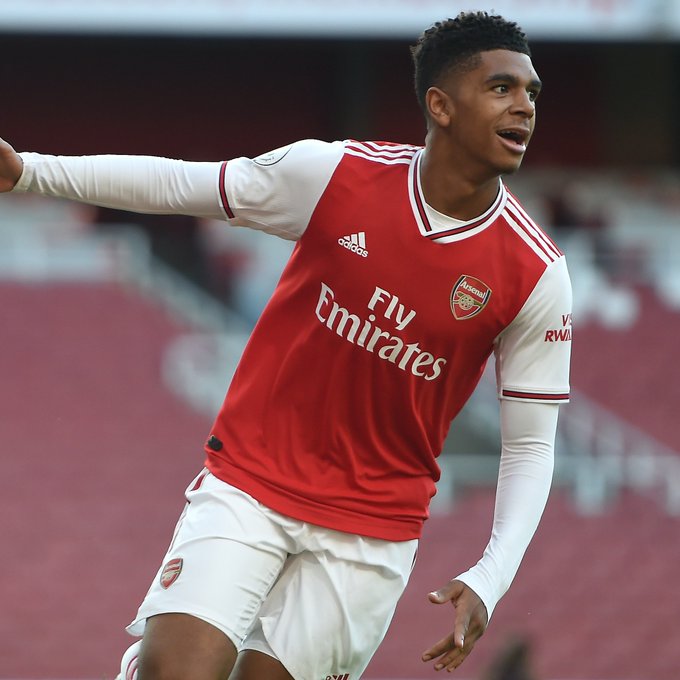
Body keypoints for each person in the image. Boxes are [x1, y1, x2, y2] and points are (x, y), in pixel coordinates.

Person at [0, 11, 572, 680]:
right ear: (441, 105)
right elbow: (185, 184)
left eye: (531, 92)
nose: (524, 107)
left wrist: (492, 573)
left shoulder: (537, 273)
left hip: (370, 532)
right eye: (502, 87)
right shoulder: (335, 175)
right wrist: (28, 172)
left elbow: (531, 444)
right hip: (251, 482)